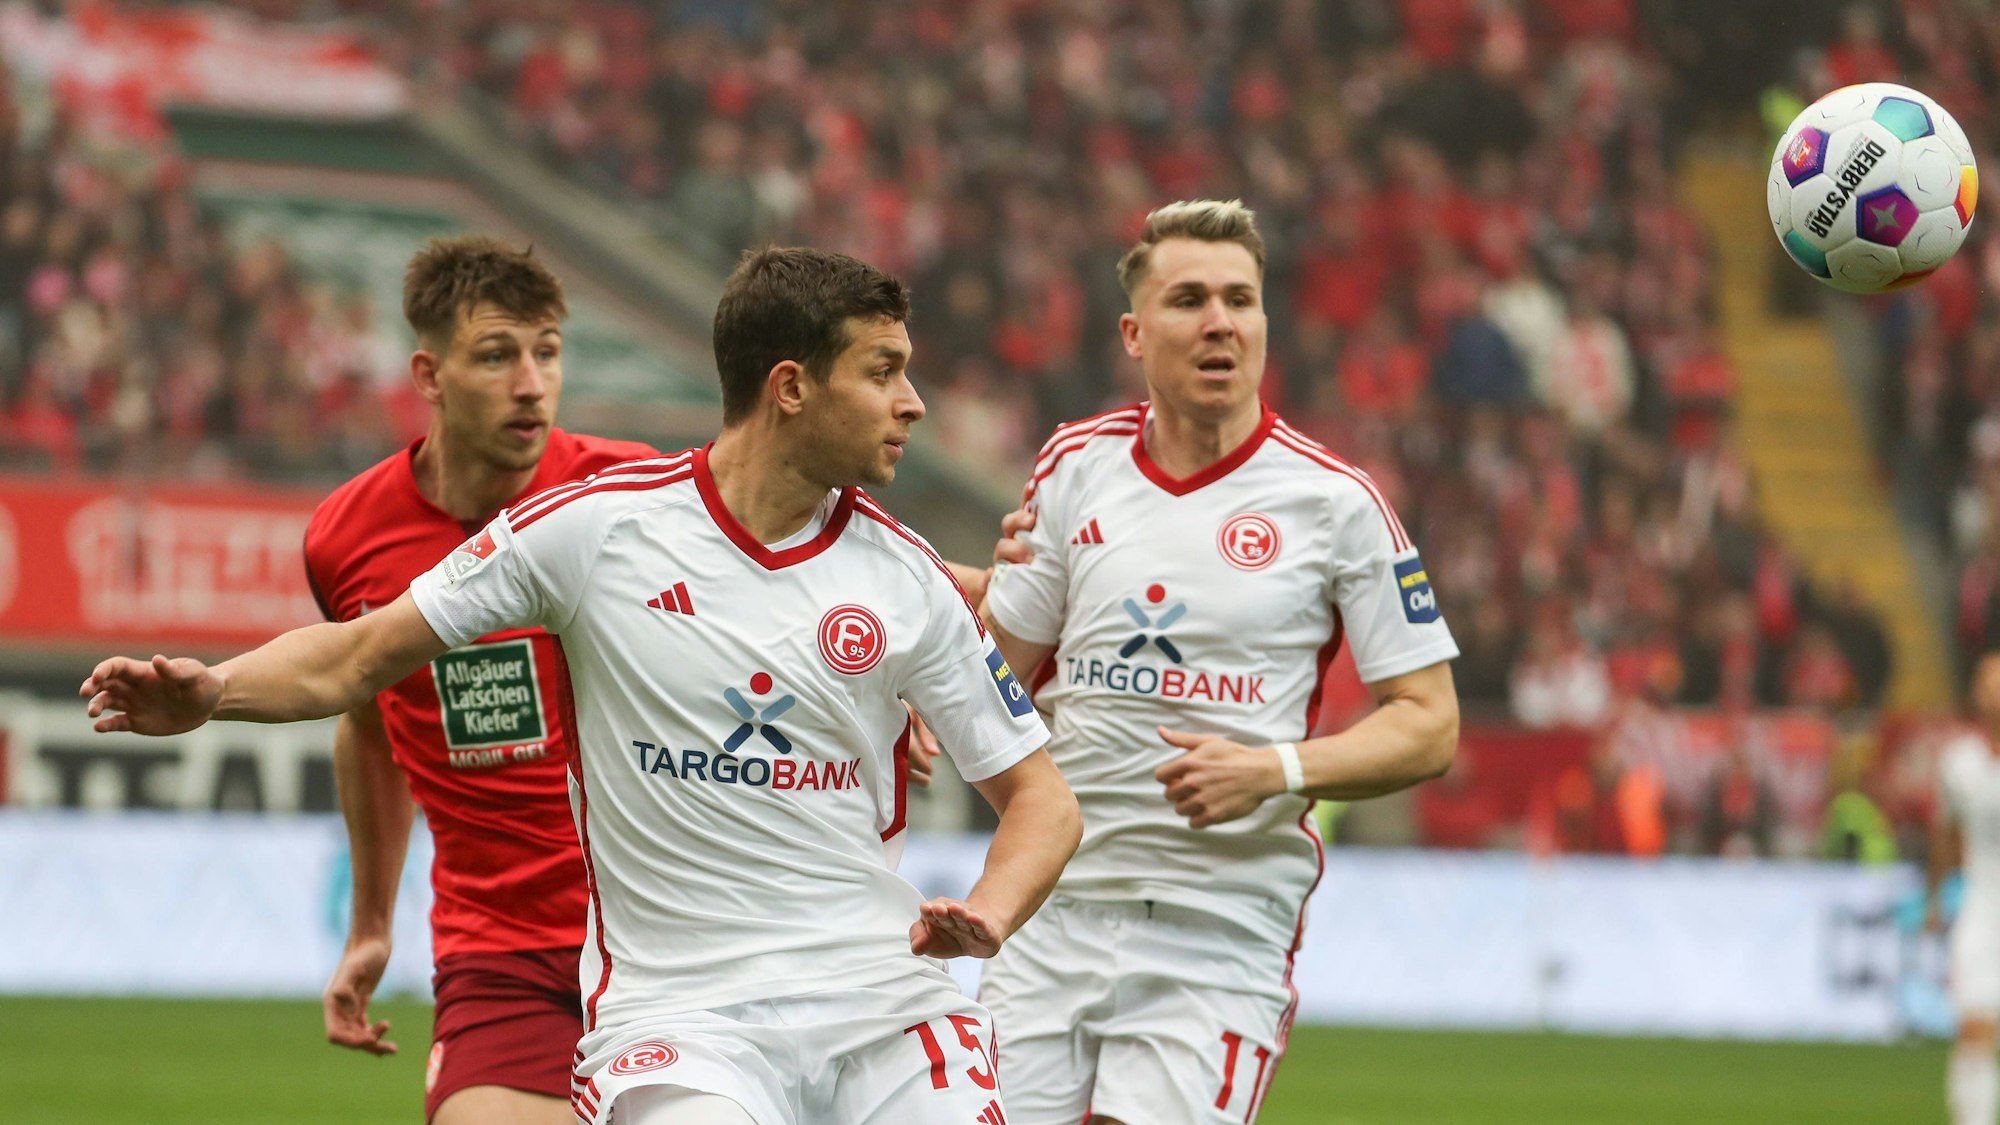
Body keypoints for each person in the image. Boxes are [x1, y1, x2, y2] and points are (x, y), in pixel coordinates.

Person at [82, 246, 1082, 1125]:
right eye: (884, 372)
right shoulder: (591, 528)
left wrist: (987, 910)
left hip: (882, 1005)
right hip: (654, 1003)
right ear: (789, 386)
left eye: (547, 351)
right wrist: (212, 692)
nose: (913, 403)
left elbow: (1037, 795)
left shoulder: (901, 577)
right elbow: (357, 662)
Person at [975, 200, 1460, 1124]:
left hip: (1216, 928)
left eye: (1241, 300)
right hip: (1053, 910)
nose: (1219, 322)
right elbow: (1000, 664)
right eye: (1189, 299)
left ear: (1266, 324)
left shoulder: (1336, 503)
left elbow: (1430, 723)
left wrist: (1274, 770)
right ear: (1133, 331)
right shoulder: (1075, 466)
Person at [305, 234, 659, 1124]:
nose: (531, 383)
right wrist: (371, 925)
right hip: (500, 955)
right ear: (429, 374)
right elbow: (371, 723)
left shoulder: (635, 493)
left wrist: (889, 696)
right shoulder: (346, 539)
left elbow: (789, 605)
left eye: (547, 352)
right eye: (497, 356)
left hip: (665, 933)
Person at [1932, 651, 2000, 1125]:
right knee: (1975, 1027)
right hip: (1984, 907)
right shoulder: (1961, 763)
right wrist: (1938, 896)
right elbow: (1947, 834)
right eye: (1988, 679)